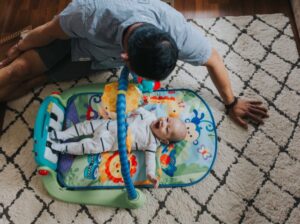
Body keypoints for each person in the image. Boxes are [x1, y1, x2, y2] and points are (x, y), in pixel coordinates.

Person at [0, 0, 268, 129]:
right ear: (125, 59)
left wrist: (232, 102)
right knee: (18, 70)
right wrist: (21, 46)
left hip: (95, 58)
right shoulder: (89, 12)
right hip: (71, 39)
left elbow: (214, 60)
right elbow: (49, 31)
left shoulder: (177, 32)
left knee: (36, 81)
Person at [48, 107, 187, 188]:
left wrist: (151, 175)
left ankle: (60, 147)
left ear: (164, 140)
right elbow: (135, 108)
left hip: (108, 142)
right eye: (167, 120)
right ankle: (62, 134)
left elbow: (150, 161)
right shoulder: (149, 115)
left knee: (86, 147)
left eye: (167, 129)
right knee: (85, 126)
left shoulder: (152, 143)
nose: (163, 123)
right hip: (107, 124)